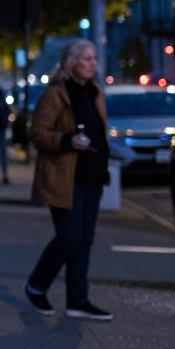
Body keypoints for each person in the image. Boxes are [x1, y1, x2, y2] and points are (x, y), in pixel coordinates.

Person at [23, 40, 114, 321]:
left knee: (84, 241)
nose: (92, 63)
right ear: (71, 62)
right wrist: (67, 140)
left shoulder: (94, 91)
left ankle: (78, 300)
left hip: (92, 177)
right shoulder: (56, 94)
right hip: (65, 178)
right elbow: (38, 134)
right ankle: (36, 285)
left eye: (94, 59)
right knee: (69, 238)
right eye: (86, 59)